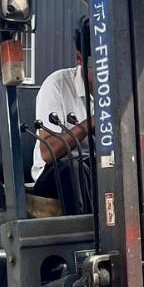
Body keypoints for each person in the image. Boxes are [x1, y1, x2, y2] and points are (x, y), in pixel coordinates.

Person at [32, 20, 93, 208]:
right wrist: (90, 124)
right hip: (57, 171)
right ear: (80, 58)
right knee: (74, 169)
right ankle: (84, 225)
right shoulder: (56, 86)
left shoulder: (123, 89)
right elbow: (47, 152)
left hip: (99, 167)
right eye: (100, 66)